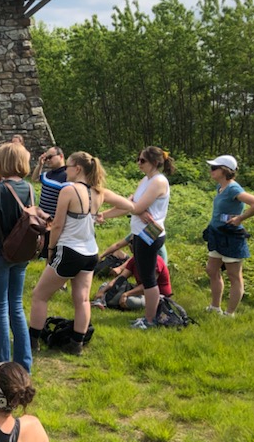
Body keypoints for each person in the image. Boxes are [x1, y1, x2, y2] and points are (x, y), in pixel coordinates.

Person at [28, 152, 135, 355]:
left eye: (67, 167)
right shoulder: (99, 191)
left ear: (77, 168)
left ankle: (32, 343)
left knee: (39, 296)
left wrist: (50, 249)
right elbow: (129, 206)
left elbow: (57, 224)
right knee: (83, 299)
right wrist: (103, 214)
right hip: (90, 253)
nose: (64, 171)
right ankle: (76, 344)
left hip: (69, 250)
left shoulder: (69, 190)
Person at [99, 146, 175, 330]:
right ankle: (149, 316)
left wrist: (135, 205)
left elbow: (137, 207)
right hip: (140, 234)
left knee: (148, 278)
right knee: (146, 276)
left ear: (155, 162)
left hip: (150, 235)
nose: (138, 164)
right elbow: (131, 206)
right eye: (138, 159)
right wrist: (104, 215)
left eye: (142, 161)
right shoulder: (145, 180)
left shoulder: (158, 181)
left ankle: (150, 320)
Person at [0, 143, 35, 372]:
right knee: (17, 307)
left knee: (0, 310)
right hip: (22, 252)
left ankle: (1, 364)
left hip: (0, 252)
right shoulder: (29, 188)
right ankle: (24, 363)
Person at [203, 155, 254, 316]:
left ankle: (230, 313)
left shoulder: (233, 189)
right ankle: (215, 307)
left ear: (224, 170)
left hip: (231, 237)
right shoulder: (221, 187)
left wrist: (240, 218)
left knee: (233, 275)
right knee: (211, 269)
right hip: (217, 235)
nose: (211, 171)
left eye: (214, 168)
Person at [94, 253, 172, 310]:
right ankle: (103, 301)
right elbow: (121, 278)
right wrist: (103, 290)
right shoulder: (134, 259)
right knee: (105, 285)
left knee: (130, 301)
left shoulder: (155, 261)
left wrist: (126, 294)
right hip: (138, 290)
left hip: (156, 295)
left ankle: (105, 301)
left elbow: (148, 285)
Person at [33, 146, 68, 257]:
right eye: (46, 158)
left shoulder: (67, 176)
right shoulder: (48, 174)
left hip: (55, 221)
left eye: (50, 157)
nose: (48, 160)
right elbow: (34, 178)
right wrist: (40, 164)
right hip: (43, 220)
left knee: (52, 251)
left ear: (61, 156)